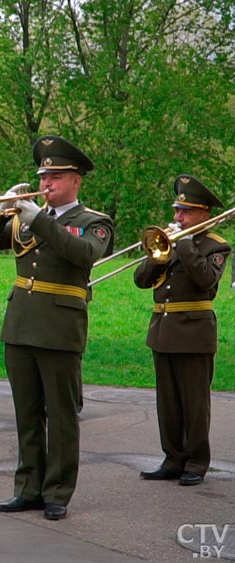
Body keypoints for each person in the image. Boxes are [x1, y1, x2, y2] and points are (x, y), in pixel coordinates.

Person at [0, 135, 113, 521]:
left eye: (55, 177)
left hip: (59, 326)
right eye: (43, 177)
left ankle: (57, 491)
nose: (46, 184)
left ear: (76, 180)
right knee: (27, 413)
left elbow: (83, 254)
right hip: (20, 323)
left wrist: (37, 218)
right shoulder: (25, 217)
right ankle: (27, 488)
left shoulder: (94, 223)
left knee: (62, 413)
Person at [135, 175, 229, 486]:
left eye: (185, 212)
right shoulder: (170, 242)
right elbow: (140, 280)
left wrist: (184, 244)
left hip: (193, 333)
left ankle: (197, 461)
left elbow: (206, 280)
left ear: (204, 214)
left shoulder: (216, 245)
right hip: (162, 330)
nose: (178, 218)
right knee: (168, 402)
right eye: (177, 211)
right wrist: (157, 252)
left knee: (194, 403)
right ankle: (172, 458)